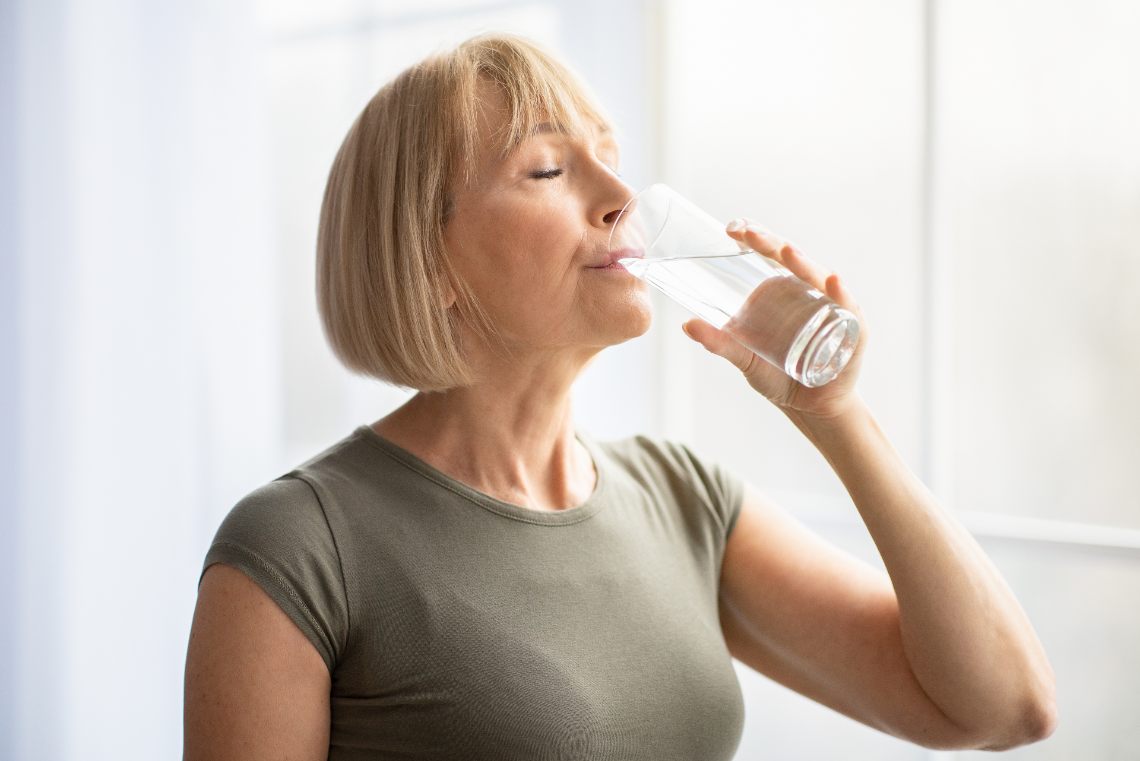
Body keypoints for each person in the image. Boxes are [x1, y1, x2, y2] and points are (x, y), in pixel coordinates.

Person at [183, 32, 1056, 761]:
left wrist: (838, 418)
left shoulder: (682, 499)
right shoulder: (299, 545)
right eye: (547, 171)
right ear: (431, 261)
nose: (621, 199)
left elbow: (1002, 707)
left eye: (608, 156)